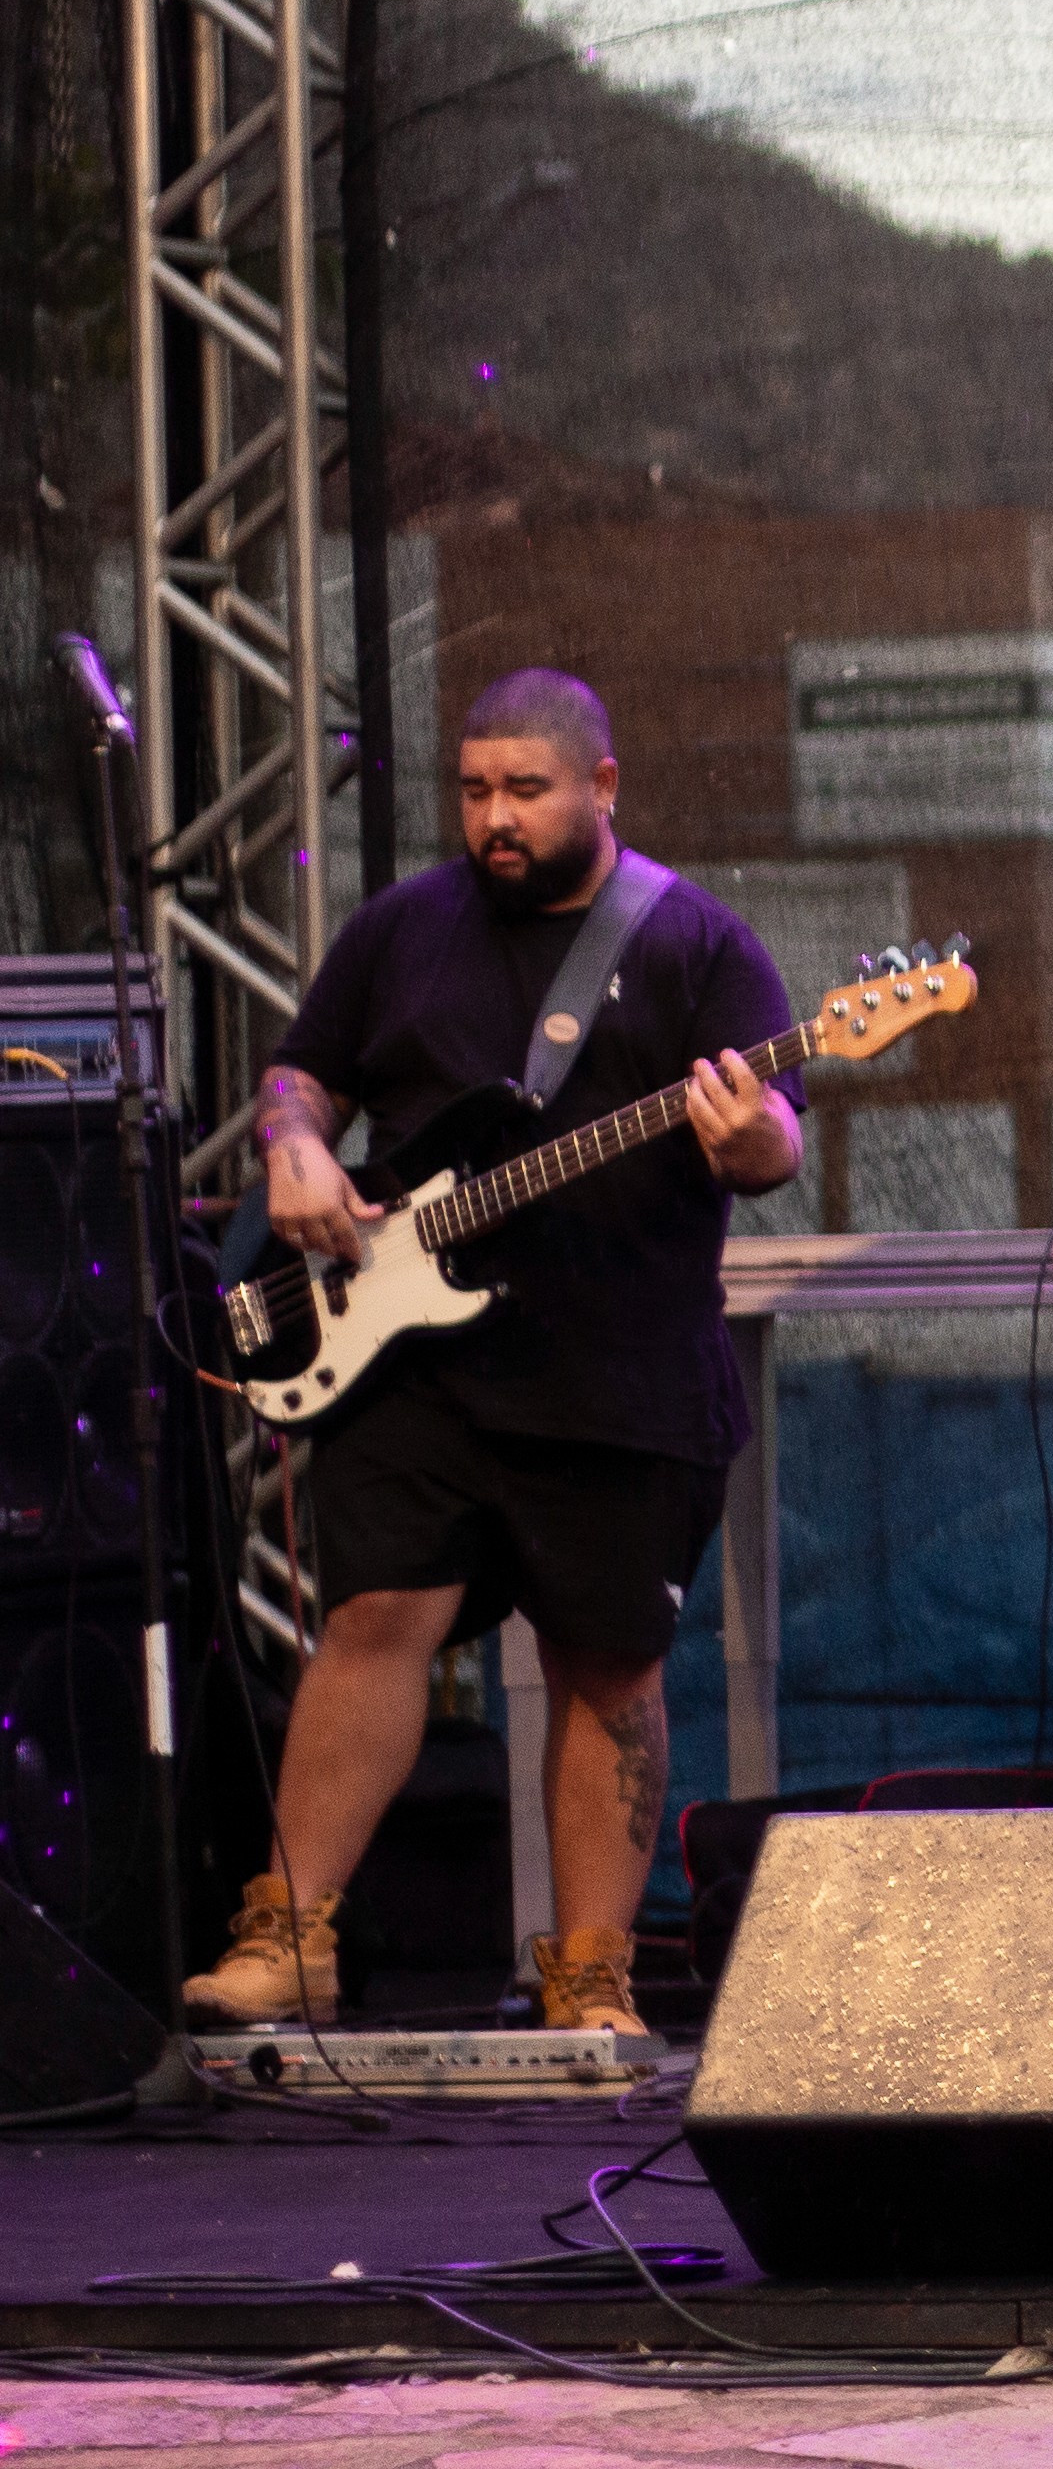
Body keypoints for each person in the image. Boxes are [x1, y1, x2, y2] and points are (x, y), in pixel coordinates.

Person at [205, 668, 806, 2036]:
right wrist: (294, 1144)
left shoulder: (694, 942)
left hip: (619, 1375)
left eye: (525, 790)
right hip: (415, 1368)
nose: (495, 818)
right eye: (475, 790)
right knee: (370, 1624)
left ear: (602, 786)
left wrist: (753, 1137)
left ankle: (590, 1976)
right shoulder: (403, 928)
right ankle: (291, 1933)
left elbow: (780, 1139)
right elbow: (305, 1071)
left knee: (607, 1666)